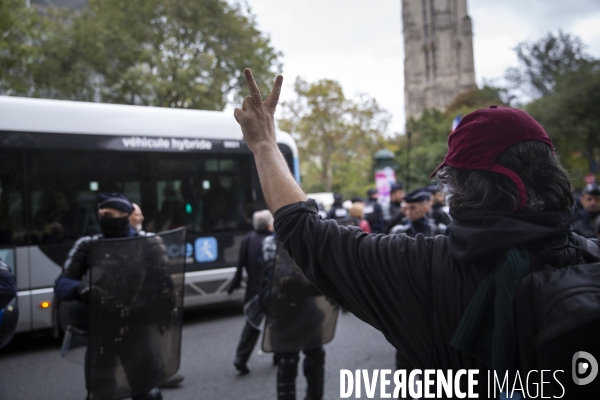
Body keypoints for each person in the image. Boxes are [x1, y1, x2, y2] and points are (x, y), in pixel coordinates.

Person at [232, 70, 600, 395]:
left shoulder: (424, 268)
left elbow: (305, 231)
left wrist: (264, 145)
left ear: (464, 190)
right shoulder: (591, 255)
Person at [54, 193, 164, 400]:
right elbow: (61, 283)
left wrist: (147, 304)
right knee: (99, 393)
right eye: (101, 214)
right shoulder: (88, 245)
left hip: (136, 329)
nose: (103, 218)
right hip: (100, 332)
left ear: (125, 215)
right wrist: (81, 289)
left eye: (109, 214)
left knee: (147, 392)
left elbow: (164, 285)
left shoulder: (148, 244)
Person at [129, 203, 185, 389]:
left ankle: (158, 375)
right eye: (138, 214)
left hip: (145, 301)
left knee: (148, 339)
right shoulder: (101, 242)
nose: (142, 218)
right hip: (123, 305)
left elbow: (162, 272)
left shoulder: (149, 240)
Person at [227, 209, 275, 374]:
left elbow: (240, 263)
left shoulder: (248, 238)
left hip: (253, 287)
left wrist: (235, 282)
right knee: (276, 321)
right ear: (270, 224)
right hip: (272, 288)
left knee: (252, 325)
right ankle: (279, 353)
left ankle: (241, 357)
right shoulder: (272, 240)